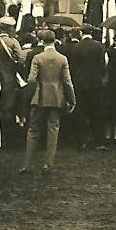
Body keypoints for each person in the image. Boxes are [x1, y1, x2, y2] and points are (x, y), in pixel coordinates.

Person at [20, 29, 76, 172]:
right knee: (53, 130)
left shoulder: (38, 58)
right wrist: (71, 99)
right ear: (55, 40)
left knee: (33, 130)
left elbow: (31, 80)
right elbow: (67, 81)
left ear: (42, 41)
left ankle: (27, 164)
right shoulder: (62, 58)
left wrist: (30, 94)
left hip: (39, 98)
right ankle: (48, 164)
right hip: (57, 97)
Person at [70, 27, 106, 148]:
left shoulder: (77, 47)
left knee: (81, 112)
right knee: (97, 112)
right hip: (96, 83)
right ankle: (99, 141)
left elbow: (73, 67)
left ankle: (82, 140)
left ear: (82, 33)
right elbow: (103, 64)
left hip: (80, 84)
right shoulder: (99, 46)